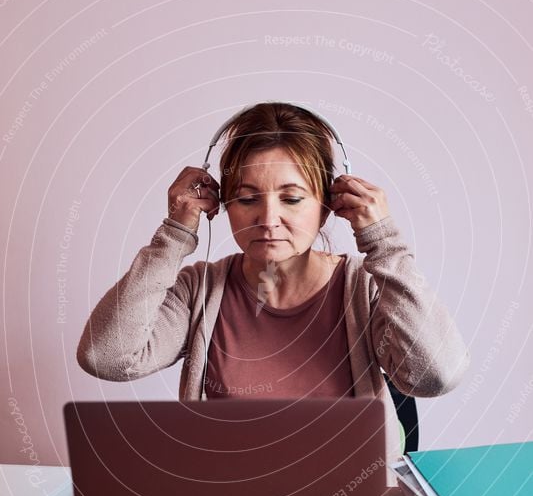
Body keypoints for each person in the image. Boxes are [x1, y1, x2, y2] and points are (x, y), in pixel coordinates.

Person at [76, 101, 470, 464]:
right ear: (224, 206)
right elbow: (107, 358)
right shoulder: (200, 290)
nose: (268, 218)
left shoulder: (363, 289)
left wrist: (383, 241)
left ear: (329, 202)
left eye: (292, 199)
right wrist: (175, 234)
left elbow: (435, 375)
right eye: (247, 199)